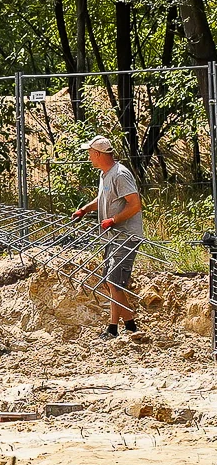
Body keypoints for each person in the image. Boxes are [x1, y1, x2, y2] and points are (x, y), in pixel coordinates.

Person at [72, 135, 143, 339]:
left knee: (113, 282)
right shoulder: (105, 175)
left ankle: (112, 328)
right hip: (112, 237)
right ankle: (130, 324)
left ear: (98, 154)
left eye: (89, 153)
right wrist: (84, 209)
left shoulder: (120, 175)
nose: (88, 157)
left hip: (126, 236)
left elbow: (135, 204)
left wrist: (113, 220)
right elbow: (102, 197)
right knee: (109, 281)